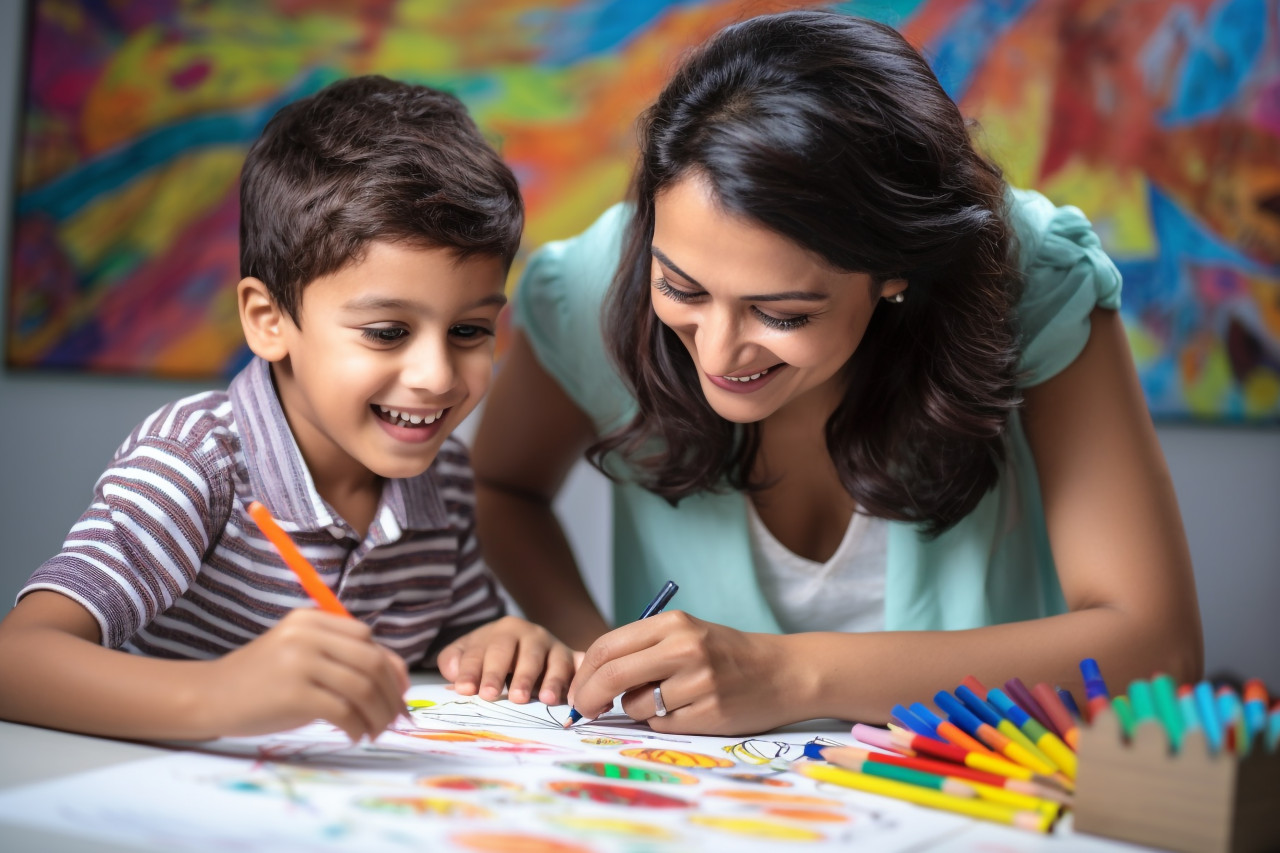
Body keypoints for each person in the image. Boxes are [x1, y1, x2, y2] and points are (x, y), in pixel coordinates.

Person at [469, 11, 1202, 736]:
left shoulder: (1032, 275)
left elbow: (1155, 651)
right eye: (683, 290)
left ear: (894, 271)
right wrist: (592, 645)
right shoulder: (602, 283)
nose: (719, 354)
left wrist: (789, 675)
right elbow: (501, 486)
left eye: (782, 313)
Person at [0, 76, 575, 741]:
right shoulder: (196, 459)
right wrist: (216, 694)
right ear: (269, 320)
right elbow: (16, 659)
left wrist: (504, 641)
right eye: (387, 332)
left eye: (470, 331)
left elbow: (462, 643)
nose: (437, 375)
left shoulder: (441, 475)